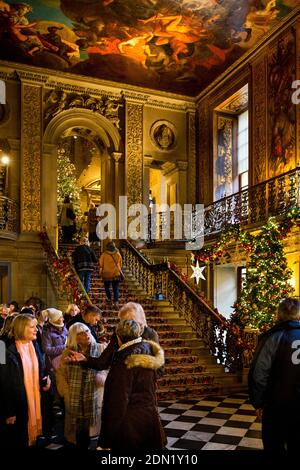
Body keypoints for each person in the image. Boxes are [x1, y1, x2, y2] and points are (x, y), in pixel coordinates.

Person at [97, 319, 166, 451]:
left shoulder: (125, 360)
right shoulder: (147, 349)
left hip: (129, 423)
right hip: (147, 416)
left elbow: (118, 401)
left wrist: (107, 437)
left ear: (118, 337)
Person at [248, 298, 300, 452]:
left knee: (274, 446)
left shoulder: (272, 338)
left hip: (276, 406)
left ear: (278, 315)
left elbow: (258, 373)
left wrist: (258, 402)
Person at [1, 314, 50, 448]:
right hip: (18, 405)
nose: (36, 330)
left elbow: (40, 367)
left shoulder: (33, 344)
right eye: (32, 327)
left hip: (35, 400)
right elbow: (4, 383)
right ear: (22, 328)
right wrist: (9, 411)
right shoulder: (4, 349)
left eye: (36, 326)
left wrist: (44, 379)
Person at [56, 323, 107, 448]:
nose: (86, 334)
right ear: (74, 337)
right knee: (78, 438)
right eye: (81, 333)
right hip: (74, 399)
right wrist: (66, 394)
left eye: (87, 331)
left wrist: (103, 378)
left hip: (94, 397)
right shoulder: (68, 353)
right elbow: (61, 375)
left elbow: (110, 371)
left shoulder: (101, 349)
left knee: (94, 439)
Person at [99, 241, 122, 308]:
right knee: (116, 288)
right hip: (116, 273)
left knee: (107, 287)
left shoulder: (104, 254)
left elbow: (101, 263)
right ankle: (116, 302)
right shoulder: (118, 254)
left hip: (106, 274)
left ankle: (109, 298)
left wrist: (101, 270)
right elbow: (120, 264)